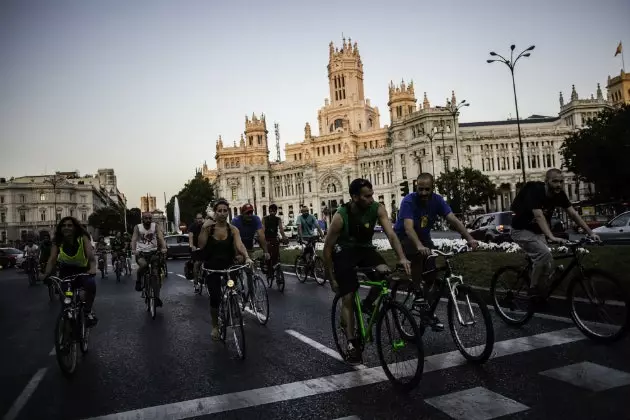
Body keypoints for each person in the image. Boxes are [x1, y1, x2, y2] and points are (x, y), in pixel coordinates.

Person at [323, 178, 411, 365]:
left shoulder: (377, 209)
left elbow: (392, 235)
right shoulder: (340, 216)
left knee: (384, 276)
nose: (371, 199)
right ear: (355, 197)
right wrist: (331, 278)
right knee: (348, 295)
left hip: (365, 250)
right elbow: (328, 248)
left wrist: (402, 257)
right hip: (344, 252)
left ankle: (367, 304)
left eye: (372, 195)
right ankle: (352, 344)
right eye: (366, 196)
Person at [393, 172, 479, 331]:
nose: (424, 193)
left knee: (432, 276)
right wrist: (418, 245)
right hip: (404, 237)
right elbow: (408, 228)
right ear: (416, 188)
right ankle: (417, 292)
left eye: (427, 189)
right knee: (418, 255)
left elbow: (453, 219)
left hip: (424, 238)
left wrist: (469, 238)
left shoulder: (438, 200)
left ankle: (426, 310)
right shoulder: (408, 201)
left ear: (433, 188)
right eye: (420, 189)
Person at [510, 168, 600, 297]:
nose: (558, 185)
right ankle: (532, 289)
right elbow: (539, 215)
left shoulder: (560, 194)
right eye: (555, 181)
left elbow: (573, 214)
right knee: (544, 254)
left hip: (537, 231)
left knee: (547, 264)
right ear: (546, 181)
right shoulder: (535, 191)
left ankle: (541, 293)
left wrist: (590, 233)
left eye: (561, 181)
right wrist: (551, 236)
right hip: (520, 229)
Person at [197, 199, 252, 339]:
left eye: (225, 210)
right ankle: (215, 325)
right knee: (215, 298)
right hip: (213, 269)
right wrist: (204, 228)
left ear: (228, 212)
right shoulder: (209, 228)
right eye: (219, 211)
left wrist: (246, 257)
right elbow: (201, 245)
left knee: (232, 287)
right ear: (215, 213)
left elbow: (239, 245)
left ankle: (233, 305)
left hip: (228, 268)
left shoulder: (233, 229)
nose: (222, 213)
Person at [43, 217, 98, 326]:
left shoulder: (83, 237)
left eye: (69, 225)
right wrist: (46, 274)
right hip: (66, 272)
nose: (66, 228)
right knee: (66, 299)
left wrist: (92, 268)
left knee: (90, 285)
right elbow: (52, 259)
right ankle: (66, 332)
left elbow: (90, 256)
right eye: (63, 226)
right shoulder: (57, 240)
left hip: (83, 271)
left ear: (75, 227)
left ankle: (87, 312)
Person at [131, 212, 167, 306]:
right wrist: (134, 249)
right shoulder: (137, 227)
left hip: (153, 253)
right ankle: (138, 281)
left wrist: (164, 247)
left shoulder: (155, 226)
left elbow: (160, 237)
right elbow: (134, 239)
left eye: (149, 218)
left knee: (155, 274)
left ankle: (157, 298)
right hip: (141, 253)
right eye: (146, 218)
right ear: (142, 219)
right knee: (143, 265)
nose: (148, 220)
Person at [262, 204, 289, 282]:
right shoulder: (264, 219)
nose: (272, 213)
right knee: (268, 255)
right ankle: (268, 268)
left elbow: (281, 229)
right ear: (269, 211)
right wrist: (262, 238)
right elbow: (263, 229)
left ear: (276, 211)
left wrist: (284, 237)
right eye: (271, 211)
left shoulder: (278, 219)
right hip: (267, 239)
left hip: (275, 238)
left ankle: (276, 269)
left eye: (274, 211)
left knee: (276, 255)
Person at [188, 213, 206, 293]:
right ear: (195, 219)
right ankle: (196, 283)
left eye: (201, 218)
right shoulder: (192, 227)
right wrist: (192, 246)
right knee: (196, 264)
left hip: (204, 248)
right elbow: (190, 237)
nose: (199, 220)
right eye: (198, 218)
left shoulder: (205, 226)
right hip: (196, 249)